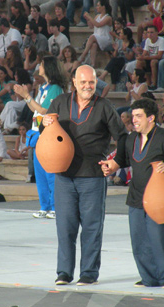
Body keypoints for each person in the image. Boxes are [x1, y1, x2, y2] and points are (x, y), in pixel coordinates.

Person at [43, 65, 127, 286]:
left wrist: (116, 163)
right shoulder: (60, 103)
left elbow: (124, 138)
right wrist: (43, 124)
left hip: (93, 176)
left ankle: (89, 273)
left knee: (91, 228)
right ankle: (64, 273)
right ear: (74, 83)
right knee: (65, 228)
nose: (88, 86)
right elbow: (46, 132)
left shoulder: (105, 106)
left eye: (91, 82)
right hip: (64, 176)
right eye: (83, 82)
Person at [99, 98, 164, 288]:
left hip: (161, 198)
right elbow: (121, 160)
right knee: (139, 241)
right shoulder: (130, 139)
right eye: (133, 116)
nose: (134, 120)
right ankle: (149, 277)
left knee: (161, 238)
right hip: (137, 196)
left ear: (151, 118)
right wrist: (110, 167)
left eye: (138, 116)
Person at [14, 56, 67, 219]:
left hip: (49, 135)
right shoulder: (44, 87)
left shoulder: (56, 88)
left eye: (42, 64)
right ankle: (45, 206)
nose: (39, 66)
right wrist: (25, 96)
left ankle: (55, 207)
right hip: (37, 134)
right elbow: (33, 108)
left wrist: (27, 97)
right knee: (40, 175)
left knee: (50, 174)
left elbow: (45, 111)